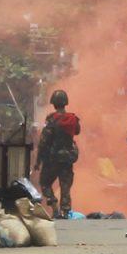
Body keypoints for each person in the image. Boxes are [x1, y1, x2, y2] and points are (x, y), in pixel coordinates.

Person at [35, 89, 80, 218]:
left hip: (52, 158)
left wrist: (38, 161)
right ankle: (65, 211)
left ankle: (54, 206)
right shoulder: (72, 119)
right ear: (65, 102)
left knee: (45, 183)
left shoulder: (51, 119)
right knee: (65, 186)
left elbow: (43, 141)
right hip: (67, 158)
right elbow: (77, 131)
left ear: (54, 104)